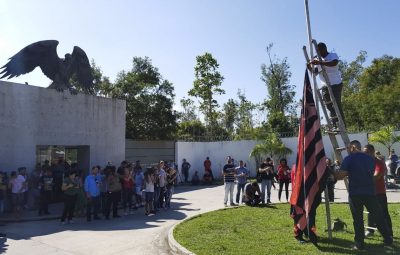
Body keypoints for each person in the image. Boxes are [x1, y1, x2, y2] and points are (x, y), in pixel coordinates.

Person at [333, 140, 393, 250]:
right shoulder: (370, 158)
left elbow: (341, 176)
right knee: (378, 216)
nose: (347, 150)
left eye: (348, 148)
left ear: (352, 148)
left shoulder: (349, 159)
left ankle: (359, 244)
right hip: (370, 192)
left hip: (356, 193)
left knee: (358, 219)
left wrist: (332, 172)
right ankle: (388, 239)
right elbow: (376, 171)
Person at [309, 42, 344, 129]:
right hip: (325, 86)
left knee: (336, 104)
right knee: (328, 106)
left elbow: (334, 63)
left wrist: (320, 62)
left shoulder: (332, 55)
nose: (318, 53)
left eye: (319, 50)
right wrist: (309, 65)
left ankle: (342, 126)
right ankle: (335, 124)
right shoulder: (319, 59)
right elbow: (315, 72)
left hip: (335, 84)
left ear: (324, 49)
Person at [363, 144, 393, 239]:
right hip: (368, 192)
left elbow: (376, 177)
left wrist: (361, 178)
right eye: (364, 152)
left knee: (384, 213)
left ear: (372, 152)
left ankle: (389, 233)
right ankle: (370, 230)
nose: (365, 154)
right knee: (370, 212)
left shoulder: (379, 163)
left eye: (366, 152)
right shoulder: (364, 163)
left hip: (379, 192)